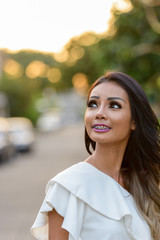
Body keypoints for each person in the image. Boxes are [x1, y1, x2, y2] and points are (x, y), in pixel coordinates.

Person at [31, 71, 160, 240]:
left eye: (114, 105)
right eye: (93, 104)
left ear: (134, 121)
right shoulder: (67, 187)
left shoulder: (145, 182)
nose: (99, 113)